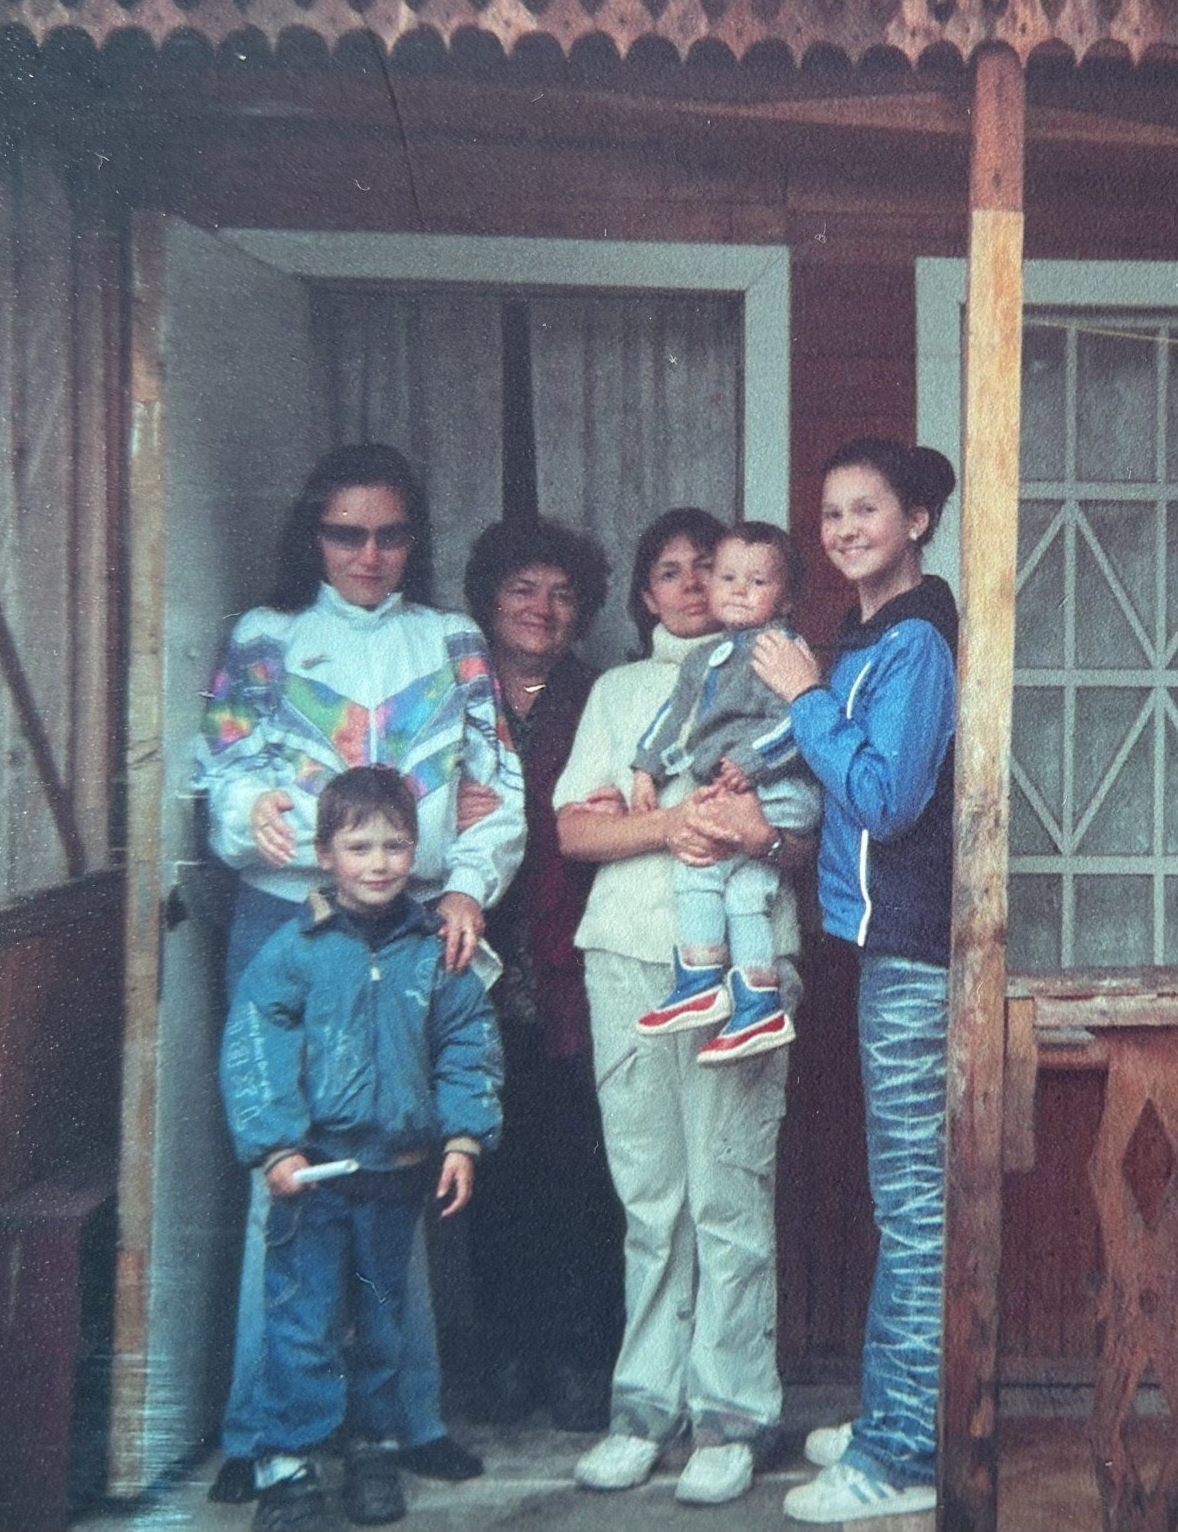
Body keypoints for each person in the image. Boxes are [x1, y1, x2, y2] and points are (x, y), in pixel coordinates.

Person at [197, 443, 522, 1500]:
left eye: (390, 533)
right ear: (314, 534)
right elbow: (223, 775)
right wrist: (253, 814)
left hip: (413, 927)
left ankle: (404, 1419)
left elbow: (494, 785)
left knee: (401, 1170)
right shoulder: (267, 637)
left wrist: (469, 883)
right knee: (286, 1186)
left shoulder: (451, 639)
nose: (370, 554)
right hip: (288, 921)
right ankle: (261, 1436)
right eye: (348, 533)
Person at [551, 507, 813, 1509]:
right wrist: (676, 821)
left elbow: (799, 832)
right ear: (646, 594)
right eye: (671, 570)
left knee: (728, 1191)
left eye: (714, 567)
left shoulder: (779, 673)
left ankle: (732, 1410)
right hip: (627, 956)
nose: (696, 584)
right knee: (652, 1195)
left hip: (745, 963)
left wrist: (744, 829)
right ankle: (643, 1403)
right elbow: (577, 831)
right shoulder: (621, 691)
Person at [753, 439, 960, 1525]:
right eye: (829, 512)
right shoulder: (871, 632)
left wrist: (804, 699)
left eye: (865, 509)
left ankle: (899, 1457)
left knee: (917, 1211)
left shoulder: (917, 639)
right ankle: (895, 1407)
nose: (841, 530)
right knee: (906, 1202)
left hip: (916, 957)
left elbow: (885, 798)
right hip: (880, 950)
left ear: (917, 519)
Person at [221, 766, 503, 1532]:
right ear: (324, 854)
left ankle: (376, 1446)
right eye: (359, 845)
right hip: (313, 1177)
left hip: (398, 1174)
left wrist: (463, 1138)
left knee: (381, 1320)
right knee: (303, 1319)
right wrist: (275, 1145)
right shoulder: (296, 950)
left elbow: (465, 1046)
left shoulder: (433, 950)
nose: (378, 862)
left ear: (416, 850)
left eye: (395, 844)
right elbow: (255, 1047)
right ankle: (289, 1463)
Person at [454, 516, 624, 1431]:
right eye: (523, 589)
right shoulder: (454, 693)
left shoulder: (597, 697)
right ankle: (505, 1354)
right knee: (487, 1160)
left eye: (561, 594)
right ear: (489, 599)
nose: (542, 608)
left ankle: (574, 1358)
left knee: (574, 1169)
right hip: (470, 962)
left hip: (563, 966)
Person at [627, 520, 822, 1063]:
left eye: (757, 582)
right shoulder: (705, 659)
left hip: (780, 790)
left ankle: (699, 978)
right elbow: (674, 722)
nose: (738, 590)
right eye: (728, 576)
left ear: (785, 600)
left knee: (701, 865)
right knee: (744, 893)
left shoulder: (777, 648)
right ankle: (758, 1001)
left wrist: (752, 762)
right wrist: (646, 769)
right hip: (749, 789)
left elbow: (804, 718)